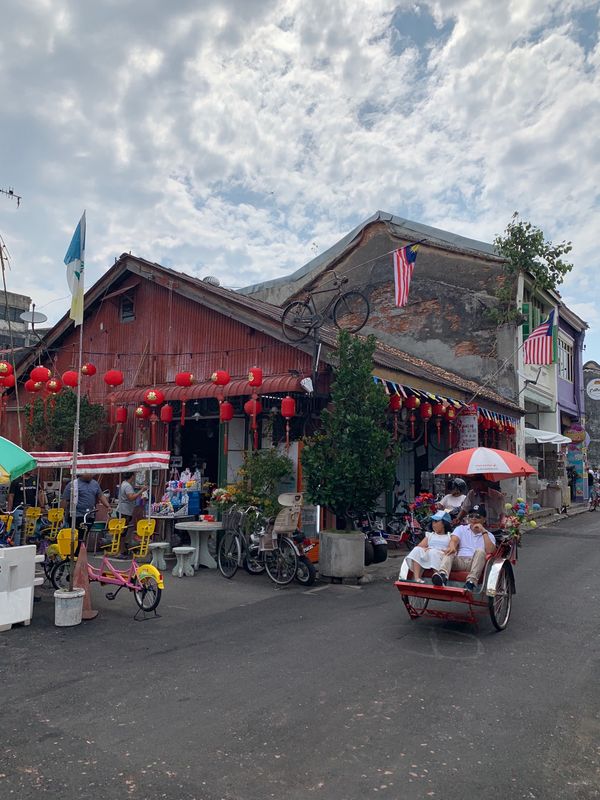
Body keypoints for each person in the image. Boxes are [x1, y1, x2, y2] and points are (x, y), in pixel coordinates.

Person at [432, 504, 497, 591]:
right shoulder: (461, 529)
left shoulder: (489, 535)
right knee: (450, 551)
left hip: (476, 563)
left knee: (481, 551)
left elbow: (490, 551)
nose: (474, 519)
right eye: (471, 516)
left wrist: (483, 531)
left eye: (477, 516)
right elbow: (454, 540)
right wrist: (452, 546)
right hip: (460, 560)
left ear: (484, 519)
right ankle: (442, 576)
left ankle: (471, 582)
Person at [403, 511, 453, 583]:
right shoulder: (430, 535)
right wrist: (425, 549)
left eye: (436, 522)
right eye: (432, 522)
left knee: (433, 552)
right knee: (417, 549)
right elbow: (420, 546)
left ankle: (439, 578)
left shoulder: (450, 536)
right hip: (429, 554)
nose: (433, 524)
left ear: (444, 524)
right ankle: (417, 577)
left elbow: (452, 548)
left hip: (441, 556)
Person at [116, 472, 147, 556]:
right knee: (123, 532)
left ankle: (123, 549)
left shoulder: (124, 484)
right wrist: (141, 491)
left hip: (123, 510)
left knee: (124, 531)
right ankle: (122, 551)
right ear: (132, 476)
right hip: (124, 511)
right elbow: (131, 497)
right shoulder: (127, 486)